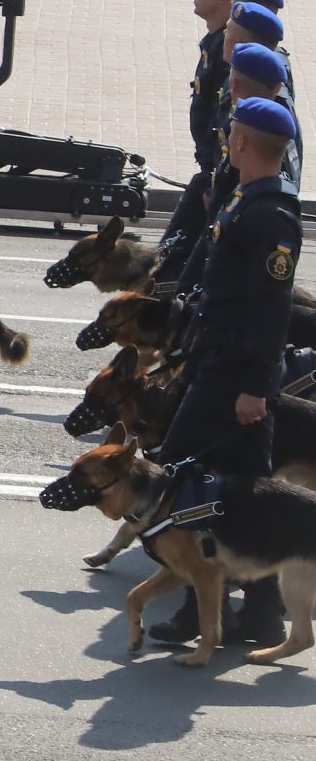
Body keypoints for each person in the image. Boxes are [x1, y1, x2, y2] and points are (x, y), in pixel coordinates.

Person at [143, 96, 302, 648]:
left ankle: (205, 607)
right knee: (242, 492)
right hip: (220, 362)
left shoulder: (271, 214)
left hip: (237, 374)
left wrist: (256, 386)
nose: (225, 139)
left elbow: (270, 307)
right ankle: (255, 611)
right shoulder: (248, 198)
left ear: (241, 142)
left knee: (182, 476)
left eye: (230, 132)